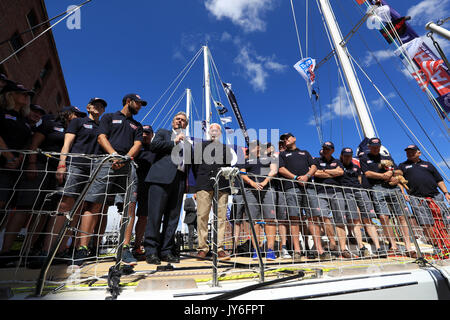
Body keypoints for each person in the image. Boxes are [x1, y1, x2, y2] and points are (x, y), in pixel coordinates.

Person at [27, 98, 107, 267]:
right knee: (64, 205)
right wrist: (62, 164)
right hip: (76, 166)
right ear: (89, 107)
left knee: (78, 210)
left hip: (94, 169)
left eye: (102, 106)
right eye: (96, 105)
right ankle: (46, 251)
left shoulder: (103, 127)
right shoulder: (78, 121)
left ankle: (62, 250)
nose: (99, 107)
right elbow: (67, 144)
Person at [78, 93, 146, 266]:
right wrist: (114, 155)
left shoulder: (137, 125)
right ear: (128, 102)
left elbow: (137, 145)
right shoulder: (108, 117)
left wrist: (125, 159)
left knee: (129, 206)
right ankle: (82, 249)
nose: (139, 107)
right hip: (106, 162)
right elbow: (101, 138)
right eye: (137, 103)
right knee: (94, 203)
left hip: (128, 165)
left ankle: (125, 248)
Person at [144, 111, 192, 265]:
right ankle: (151, 251)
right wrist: (174, 142)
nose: (180, 121)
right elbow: (153, 146)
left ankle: (166, 251)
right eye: (177, 119)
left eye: (183, 120)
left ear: (186, 125)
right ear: (173, 122)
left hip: (178, 181)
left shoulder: (189, 143)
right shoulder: (163, 133)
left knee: (173, 218)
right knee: (155, 216)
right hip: (160, 179)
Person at [278, 133, 331, 261]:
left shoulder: (305, 152)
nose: (286, 140)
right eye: (284, 139)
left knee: (313, 218)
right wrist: (296, 178)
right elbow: (281, 169)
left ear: (294, 138)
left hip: (308, 187)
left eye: (287, 137)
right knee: (294, 218)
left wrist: (307, 176)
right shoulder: (282, 154)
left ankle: (320, 250)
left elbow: (314, 166)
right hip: (291, 187)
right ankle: (297, 251)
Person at [359, 137, 416, 257]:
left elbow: (400, 171)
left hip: (394, 188)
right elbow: (367, 173)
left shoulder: (387, 158)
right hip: (377, 188)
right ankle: (393, 245)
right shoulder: (364, 158)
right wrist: (383, 176)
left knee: (402, 217)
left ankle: (408, 246)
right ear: (369, 147)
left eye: (378, 146)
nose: (376, 148)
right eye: (373, 146)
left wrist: (392, 173)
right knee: (384, 217)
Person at [0, 82, 33, 263]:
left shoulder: (25, 120)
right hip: (3, 164)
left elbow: (27, 143)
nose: (26, 96)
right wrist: (8, 156)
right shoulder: (2, 112)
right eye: (22, 93)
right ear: (10, 95)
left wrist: (18, 158)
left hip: (17, 167)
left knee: (8, 208)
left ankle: (4, 252)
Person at [193, 123, 232, 261]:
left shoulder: (225, 149)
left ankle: (219, 248)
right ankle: (202, 248)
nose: (214, 132)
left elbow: (227, 167)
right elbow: (195, 166)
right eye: (212, 130)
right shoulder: (200, 146)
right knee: (202, 216)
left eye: (217, 130)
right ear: (209, 132)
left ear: (220, 133)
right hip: (204, 183)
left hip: (222, 185)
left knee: (221, 217)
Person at [398, 144, 450, 248]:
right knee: (425, 222)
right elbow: (399, 180)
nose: (410, 153)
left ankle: (447, 242)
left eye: (412, 151)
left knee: (443, 220)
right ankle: (435, 244)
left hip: (435, 196)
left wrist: (446, 193)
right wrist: (403, 193)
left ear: (419, 153)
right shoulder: (402, 166)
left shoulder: (428, 165)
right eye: (408, 151)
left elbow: (439, 180)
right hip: (417, 198)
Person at [313, 141, 356, 259]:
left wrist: (324, 172)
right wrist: (332, 173)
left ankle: (343, 248)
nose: (325, 150)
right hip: (321, 191)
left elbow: (340, 172)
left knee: (340, 219)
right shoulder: (316, 161)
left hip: (336, 192)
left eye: (328, 148)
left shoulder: (337, 161)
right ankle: (332, 242)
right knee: (323, 216)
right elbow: (315, 173)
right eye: (324, 148)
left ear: (332, 150)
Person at [340, 147, 385, 257]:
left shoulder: (356, 166)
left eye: (349, 155)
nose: (347, 157)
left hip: (360, 191)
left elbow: (359, 178)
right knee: (355, 220)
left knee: (368, 219)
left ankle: (378, 247)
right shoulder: (339, 166)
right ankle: (361, 246)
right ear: (341, 156)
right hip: (347, 192)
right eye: (345, 155)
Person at [240, 140, 278, 260]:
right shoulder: (245, 160)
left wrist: (264, 182)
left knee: (270, 219)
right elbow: (242, 173)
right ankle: (256, 249)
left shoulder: (269, 158)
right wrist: (252, 183)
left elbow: (274, 170)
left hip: (268, 189)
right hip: (250, 190)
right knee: (254, 220)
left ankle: (270, 249)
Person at [132, 124, 155, 260]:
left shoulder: (155, 150)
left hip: (147, 186)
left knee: (143, 217)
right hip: (133, 183)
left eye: (148, 133)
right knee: (129, 215)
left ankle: (137, 245)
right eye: (143, 133)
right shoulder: (134, 147)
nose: (145, 135)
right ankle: (124, 245)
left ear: (152, 135)